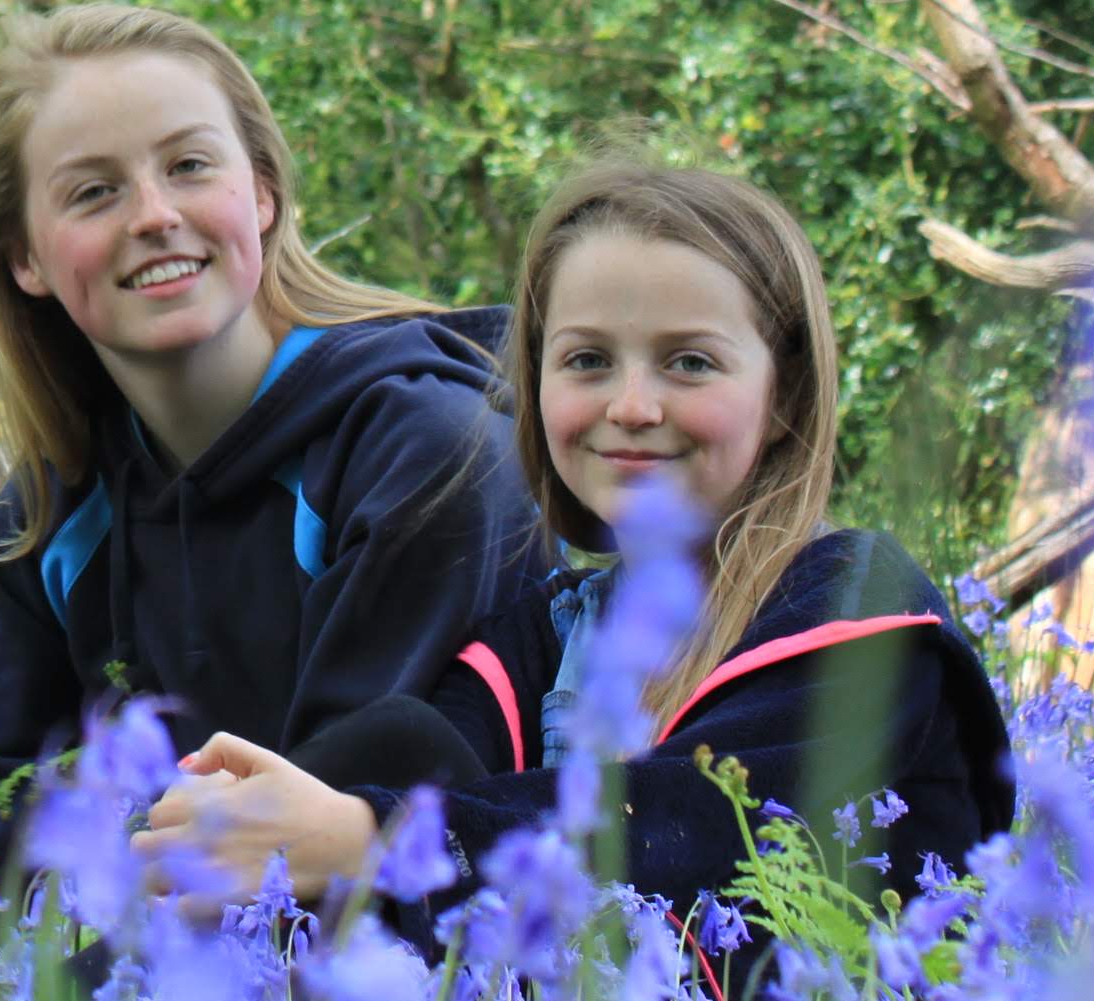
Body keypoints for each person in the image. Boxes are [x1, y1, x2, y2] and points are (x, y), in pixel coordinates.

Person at [0, 4, 553, 900]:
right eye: (93, 192)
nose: (154, 216)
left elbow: (324, 846)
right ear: (25, 258)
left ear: (263, 193)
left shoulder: (432, 454)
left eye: (189, 166)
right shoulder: (56, 519)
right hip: (151, 988)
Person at [406, 156, 1015, 909]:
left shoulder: (857, 615)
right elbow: (416, 782)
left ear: (783, 392)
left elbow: (694, 826)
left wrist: (385, 837)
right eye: (587, 359)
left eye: (689, 363)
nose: (631, 407)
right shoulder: (542, 642)